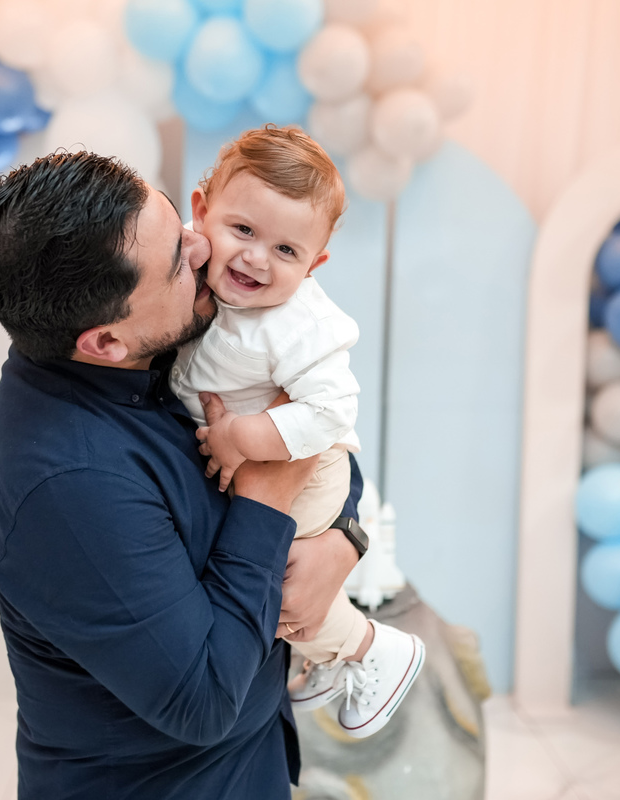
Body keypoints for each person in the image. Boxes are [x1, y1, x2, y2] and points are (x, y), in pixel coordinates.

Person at [0, 151, 365, 799]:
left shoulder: (150, 335)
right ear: (105, 341)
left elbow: (318, 425)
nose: (204, 248)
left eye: (180, 223)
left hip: (254, 761)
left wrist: (343, 539)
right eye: (178, 261)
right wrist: (266, 503)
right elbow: (201, 703)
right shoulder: (67, 487)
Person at [172, 125, 424, 738]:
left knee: (283, 592)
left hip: (304, 466)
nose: (257, 258)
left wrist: (242, 438)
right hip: (260, 461)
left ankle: (369, 650)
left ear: (314, 264)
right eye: (243, 230)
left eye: (286, 250)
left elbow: (330, 414)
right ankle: (330, 660)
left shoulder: (301, 323)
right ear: (201, 212)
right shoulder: (185, 268)